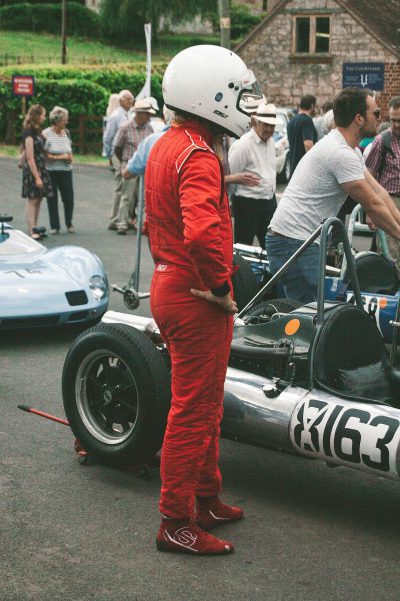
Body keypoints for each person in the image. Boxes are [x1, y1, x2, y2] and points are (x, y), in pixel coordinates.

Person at [145, 44, 263, 555]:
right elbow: (201, 231)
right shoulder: (197, 152)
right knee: (194, 409)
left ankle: (206, 497)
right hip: (195, 295)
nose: (245, 104)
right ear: (212, 97)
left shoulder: (170, 143)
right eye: (238, 95)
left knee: (205, 404)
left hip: (171, 284)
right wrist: (219, 288)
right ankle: (176, 521)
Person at [265, 87, 400, 304]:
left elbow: (380, 192)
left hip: (298, 240)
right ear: (359, 118)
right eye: (376, 113)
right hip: (293, 241)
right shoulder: (339, 153)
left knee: (315, 313)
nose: (379, 118)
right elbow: (372, 205)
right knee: (310, 316)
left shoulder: (350, 150)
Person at [228, 102, 277, 249]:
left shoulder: (271, 142)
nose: (269, 129)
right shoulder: (243, 145)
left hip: (268, 202)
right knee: (244, 247)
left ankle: (267, 273)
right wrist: (230, 203)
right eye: (265, 125)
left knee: (270, 247)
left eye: (272, 126)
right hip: (247, 204)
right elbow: (230, 175)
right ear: (255, 123)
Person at [366, 96, 400, 274]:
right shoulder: (381, 141)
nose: (396, 125)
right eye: (393, 120)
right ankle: (392, 293)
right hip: (389, 201)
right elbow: (369, 176)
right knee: (390, 254)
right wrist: (370, 212)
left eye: (399, 121)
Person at [110, 98, 154, 234]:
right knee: (127, 195)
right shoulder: (125, 127)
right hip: (129, 163)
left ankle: (140, 223)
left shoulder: (149, 128)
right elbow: (116, 147)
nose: (149, 117)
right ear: (140, 114)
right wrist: (124, 162)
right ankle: (121, 223)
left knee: (143, 197)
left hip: (145, 166)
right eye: (148, 114)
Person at [102, 90, 134, 229]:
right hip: (117, 153)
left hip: (124, 152)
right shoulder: (116, 116)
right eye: (128, 99)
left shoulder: (128, 114)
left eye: (132, 99)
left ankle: (123, 217)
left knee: (125, 187)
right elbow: (108, 137)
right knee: (120, 185)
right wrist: (111, 154)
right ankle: (115, 218)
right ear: (121, 101)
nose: (131, 102)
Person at [21, 104, 53, 239]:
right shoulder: (28, 133)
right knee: (32, 199)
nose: (44, 117)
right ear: (37, 116)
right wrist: (37, 177)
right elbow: (30, 157)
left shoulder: (37, 131)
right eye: (43, 115)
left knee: (39, 198)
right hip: (34, 168)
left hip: (41, 166)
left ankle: (35, 227)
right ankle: (31, 230)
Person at [42, 106, 74, 234]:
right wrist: (60, 157)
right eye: (64, 120)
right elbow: (44, 155)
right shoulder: (46, 134)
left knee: (69, 198)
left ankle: (69, 223)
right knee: (52, 198)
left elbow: (70, 152)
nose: (66, 122)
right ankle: (55, 226)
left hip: (66, 171)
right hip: (51, 171)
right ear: (56, 120)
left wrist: (69, 157)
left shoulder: (67, 133)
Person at [287, 93, 318, 178]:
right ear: (312, 106)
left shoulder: (291, 121)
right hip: (303, 170)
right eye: (315, 106)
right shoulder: (307, 120)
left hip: (293, 169)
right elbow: (308, 143)